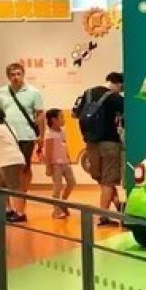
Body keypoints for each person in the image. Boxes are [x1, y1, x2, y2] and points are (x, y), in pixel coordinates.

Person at [0, 62, 44, 217]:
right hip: (7, 138)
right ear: (8, 76)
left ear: (23, 74)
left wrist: (41, 135)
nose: (16, 77)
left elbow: (40, 114)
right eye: (13, 74)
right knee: (6, 170)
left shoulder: (34, 92)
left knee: (24, 169)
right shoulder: (1, 92)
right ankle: (7, 207)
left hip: (26, 136)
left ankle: (21, 202)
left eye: (19, 74)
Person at [73, 72, 125, 225]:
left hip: (91, 143)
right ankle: (103, 216)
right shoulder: (115, 98)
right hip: (110, 143)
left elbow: (75, 113)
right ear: (119, 84)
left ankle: (117, 204)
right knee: (108, 181)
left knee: (101, 179)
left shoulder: (88, 93)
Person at [43, 109, 76, 219]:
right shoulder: (49, 134)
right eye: (61, 117)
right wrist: (48, 166)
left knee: (72, 182)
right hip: (55, 164)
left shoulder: (62, 131)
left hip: (65, 162)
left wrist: (68, 157)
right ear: (53, 120)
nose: (63, 119)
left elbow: (64, 145)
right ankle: (56, 210)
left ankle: (63, 203)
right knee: (58, 186)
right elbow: (48, 152)